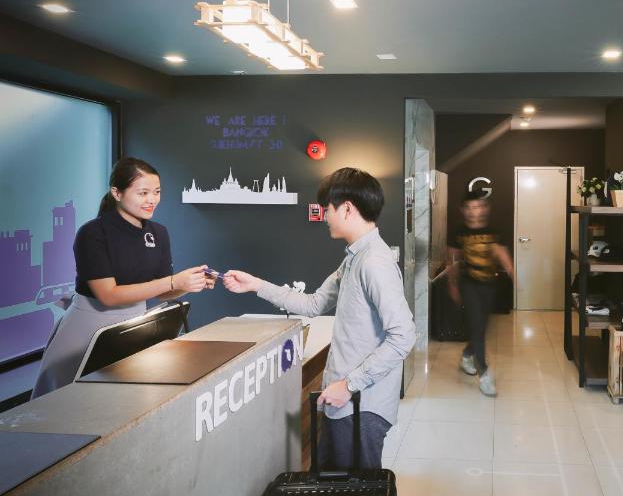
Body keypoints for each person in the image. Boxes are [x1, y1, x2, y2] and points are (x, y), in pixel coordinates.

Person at [223, 168, 415, 470]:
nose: (324, 216)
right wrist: (256, 285)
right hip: (346, 403)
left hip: (360, 406)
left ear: (347, 209)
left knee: (356, 491)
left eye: (328, 209)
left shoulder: (374, 262)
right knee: (333, 484)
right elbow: (313, 304)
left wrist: (349, 385)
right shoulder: (353, 258)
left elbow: (404, 336)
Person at [32, 157, 212, 399]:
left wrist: (190, 283)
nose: (152, 200)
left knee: (120, 404)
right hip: (87, 329)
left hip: (133, 327)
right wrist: (173, 281)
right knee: (64, 403)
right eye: (143, 193)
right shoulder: (93, 233)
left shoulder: (158, 233)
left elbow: (161, 291)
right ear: (117, 193)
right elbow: (108, 295)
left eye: (157, 192)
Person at [448, 190, 514, 397]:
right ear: (463, 210)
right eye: (468, 207)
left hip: (490, 285)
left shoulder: (494, 230)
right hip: (469, 285)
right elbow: (452, 260)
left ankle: (467, 355)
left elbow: (501, 252)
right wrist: (453, 285)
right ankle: (484, 374)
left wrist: (512, 271)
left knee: (480, 329)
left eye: (477, 206)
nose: (473, 211)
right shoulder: (458, 231)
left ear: (485, 208)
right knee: (477, 327)